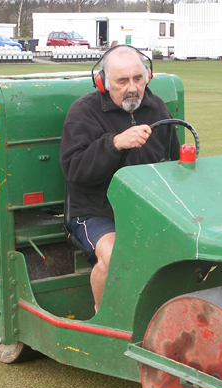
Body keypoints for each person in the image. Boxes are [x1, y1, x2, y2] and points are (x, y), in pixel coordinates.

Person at [59, 45, 180, 312]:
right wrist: (114, 145)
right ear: (102, 82)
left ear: (147, 75)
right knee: (114, 255)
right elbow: (74, 170)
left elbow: (174, 163)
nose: (132, 88)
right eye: (122, 81)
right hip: (94, 212)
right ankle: (105, 322)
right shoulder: (83, 112)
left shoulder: (157, 107)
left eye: (137, 78)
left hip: (146, 209)